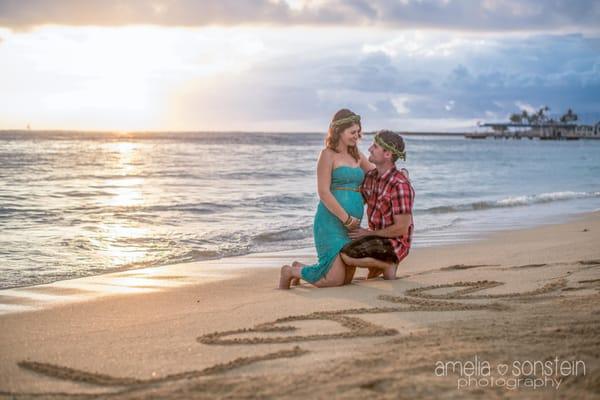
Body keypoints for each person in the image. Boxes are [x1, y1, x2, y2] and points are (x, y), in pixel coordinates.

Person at [278, 109, 373, 289]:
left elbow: (377, 174)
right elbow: (323, 192)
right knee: (334, 280)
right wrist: (347, 219)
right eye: (353, 132)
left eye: (358, 132)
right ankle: (290, 271)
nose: (357, 136)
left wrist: (399, 174)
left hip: (351, 227)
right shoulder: (327, 154)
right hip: (331, 222)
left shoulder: (358, 155)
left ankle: (300, 267)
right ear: (339, 131)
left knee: (345, 280)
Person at [340, 130, 414, 281]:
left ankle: (388, 264)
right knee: (341, 244)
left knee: (345, 255)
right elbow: (358, 200)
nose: (370, 149)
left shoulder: (399, 185)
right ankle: (377, 267)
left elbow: (402, 228)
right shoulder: (371, 177)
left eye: (375, 146)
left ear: (387, 154)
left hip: (396, 242)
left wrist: (367, 234)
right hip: (377, 237)